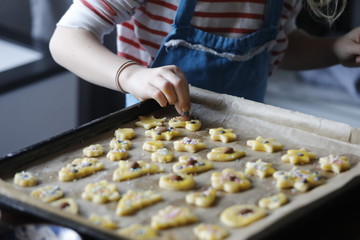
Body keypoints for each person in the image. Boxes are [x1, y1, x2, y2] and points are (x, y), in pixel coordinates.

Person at [49, 0, 360, 115]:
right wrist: (131, 75)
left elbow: (281, 46)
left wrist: (333, 50)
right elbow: (67, 38)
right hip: (153, 128)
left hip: (246, 135)